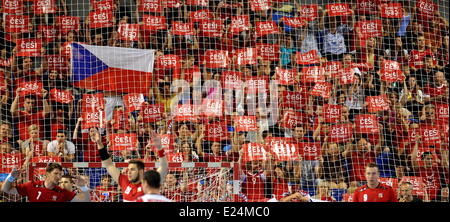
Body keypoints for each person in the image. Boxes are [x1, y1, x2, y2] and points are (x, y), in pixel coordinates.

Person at [95, 130, 168, 202]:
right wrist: (99, 143)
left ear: (141, 172)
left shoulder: (148, 184)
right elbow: (108, 165)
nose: (128, 172)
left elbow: (164, 167)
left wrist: (159, 148)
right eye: (128, 169)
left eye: (132, 169)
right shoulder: (124, 180)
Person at [1, 163, 90, 202]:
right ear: (47, 174)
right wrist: (11, 177)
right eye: (55, 173)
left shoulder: (62, 192)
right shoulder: (32, 186)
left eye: (60, 174)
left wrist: (83, 186)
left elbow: (86, 201)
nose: (58, 176)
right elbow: (5, 189)